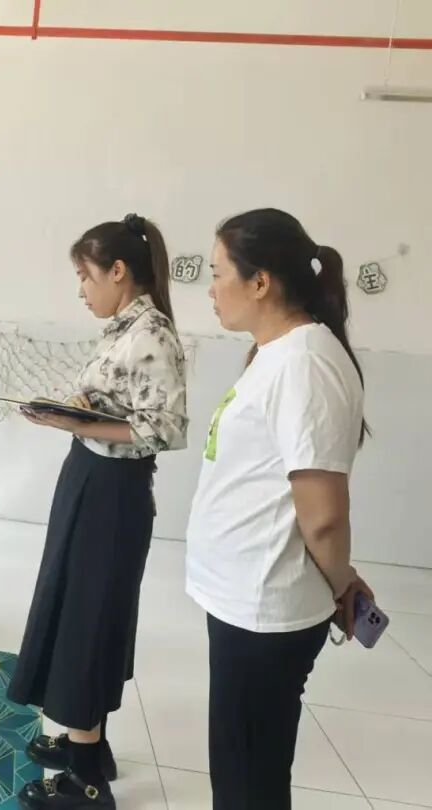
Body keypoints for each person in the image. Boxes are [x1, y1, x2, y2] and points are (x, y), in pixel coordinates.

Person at [186, 209, 375, 809]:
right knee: (244, 771)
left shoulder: (304, 362)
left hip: (264, 608)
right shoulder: (280, 353)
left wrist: (341, 583)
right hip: (247, 599)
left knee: (249, 783)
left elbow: (323, 514)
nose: (211, 289)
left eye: (218, 274)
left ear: (261, 282)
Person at [11, 215, 188, 810]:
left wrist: (74, 422)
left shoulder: (152, 334)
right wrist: (77, 410)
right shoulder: (123, 329)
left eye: (86, 276)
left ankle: (87, 782)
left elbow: (162, 429)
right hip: (91, 478)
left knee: (88, 620)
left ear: (118, 272)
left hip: (113, 492)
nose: (81, 289)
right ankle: (90, 744)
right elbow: (119, 405)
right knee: (76, 609)